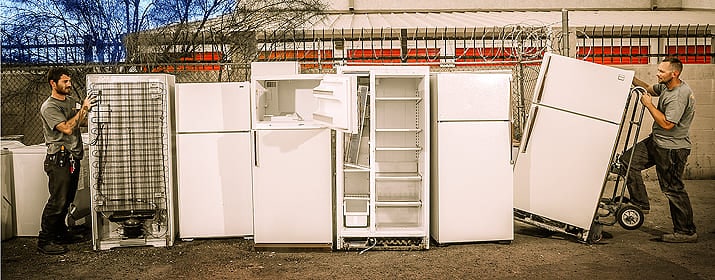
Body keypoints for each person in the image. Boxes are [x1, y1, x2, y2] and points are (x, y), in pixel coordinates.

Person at [617, 57, 697, 243]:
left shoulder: (678, 96)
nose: (657, 73)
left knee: (672, 189)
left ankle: (686, 231)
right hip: (657, 142)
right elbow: (650, 89)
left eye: (661, 71)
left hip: (672, 149)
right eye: (659, 70)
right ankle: (640, 203)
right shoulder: (667, 86)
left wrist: (649, 105)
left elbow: (668, 124)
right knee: (628, 162)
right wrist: (632, 79)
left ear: (674, 74)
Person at [38, 67, 95, 254]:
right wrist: (84, 109)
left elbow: (81, 122)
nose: (69, 84)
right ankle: (45, 240)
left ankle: (61, 233)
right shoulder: (50, 107)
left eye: (69, 81)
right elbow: (68, 128)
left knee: (68, 198)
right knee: (58, 200)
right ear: (53, 84)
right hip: (59, 159)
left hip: (72, 157)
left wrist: (90, 113)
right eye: (64, 81)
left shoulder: (70, 101)